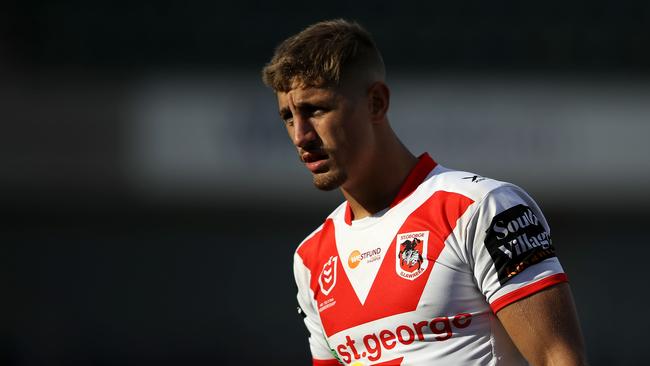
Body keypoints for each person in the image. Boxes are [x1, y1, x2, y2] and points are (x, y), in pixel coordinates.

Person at [261, 19, 587, 366]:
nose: (300, 135)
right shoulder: (311, 259)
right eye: (288, 117)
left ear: (376, 103)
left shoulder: (480, 208)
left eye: (315, 109)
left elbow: (558, 358)